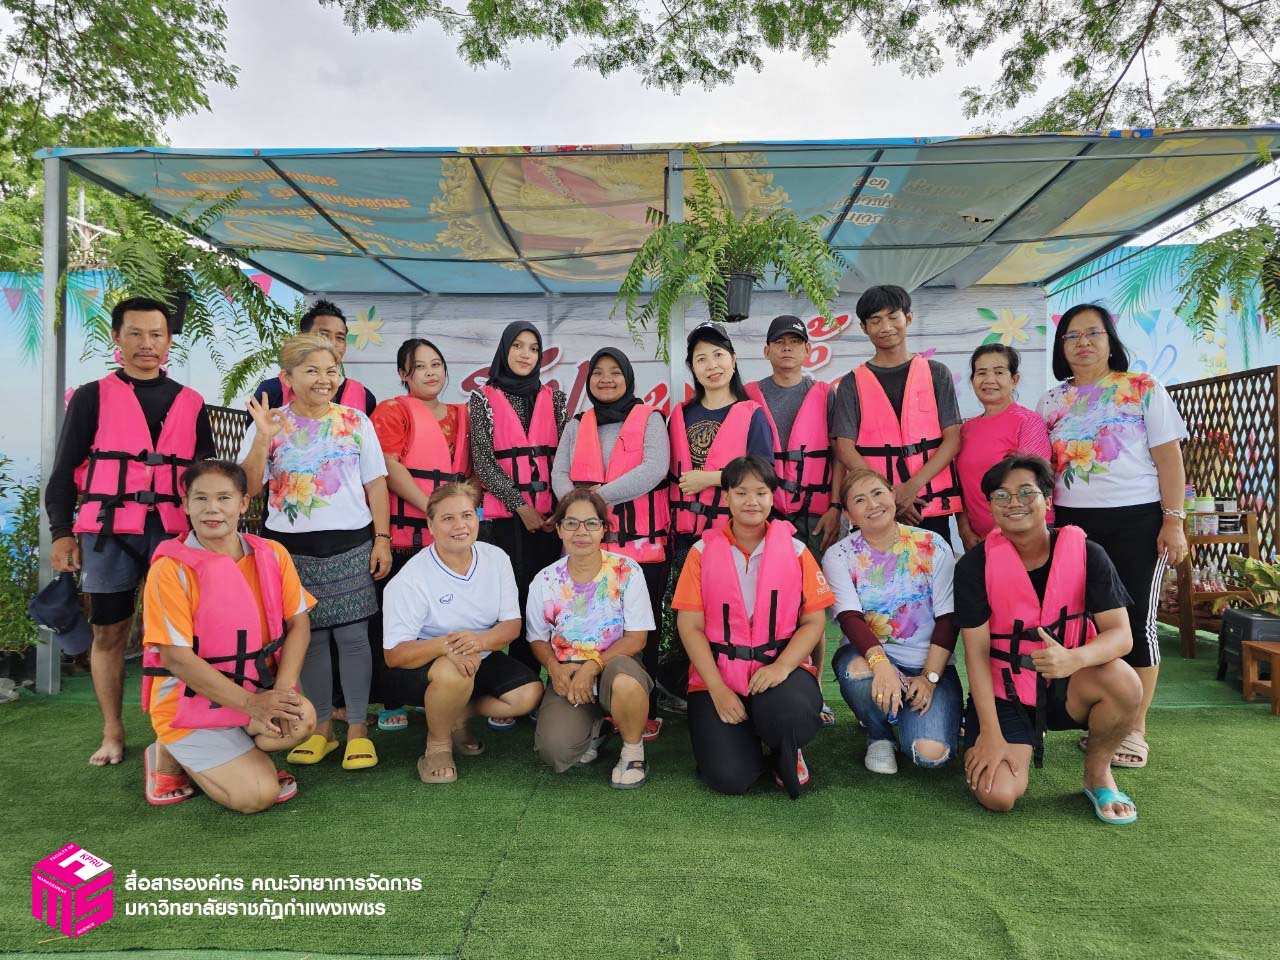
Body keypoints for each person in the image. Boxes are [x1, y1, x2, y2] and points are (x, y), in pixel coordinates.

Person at [46, 296, 217, 766]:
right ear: (116, 338)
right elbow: (63, 473)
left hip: (173, 535)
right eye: (136, 334)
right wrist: (61, 532)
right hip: (109, 533)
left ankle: (183, 727)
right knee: (109, 633)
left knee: (183, 636)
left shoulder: (191, 402)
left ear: (169, 341)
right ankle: (113, 731)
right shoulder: (91, 397)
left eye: (157, 334)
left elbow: (208, 478)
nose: (147, 343)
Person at [1038, 304, 1189, 769]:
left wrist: (1173, 520)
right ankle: (1102, 715)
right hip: (1071, 525)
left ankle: (1134, 728)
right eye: (1071, 336)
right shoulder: (1051, 401)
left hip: (1137, 522)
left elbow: (1169, 459)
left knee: (1136, 619)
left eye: (1093, 333)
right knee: (1084, 621)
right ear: (1061, 346)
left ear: (1110, 340)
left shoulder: (1142, 387)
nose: (1083, 343)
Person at [956, 455, 1144, 824]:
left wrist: (1075, 659)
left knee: (1125, 682)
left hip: (1069, 684)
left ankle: (1098, 774)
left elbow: (1121, 636)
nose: (1014, 503)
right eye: (1001, 495)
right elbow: (975, 654)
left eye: (1026, 492)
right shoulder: (974, 566)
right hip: (1007, 692)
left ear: (1048, 500)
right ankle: (997, 734)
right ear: (991, 507)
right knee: (998, 795)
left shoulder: (1088, 553)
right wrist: (990, 733)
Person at [239, 334, 392, 772]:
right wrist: (263, 438)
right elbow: (249, 488)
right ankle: (322, 728)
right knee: (310, 640)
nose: (325, 379)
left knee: (354, 637)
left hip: (351, 543)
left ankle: (358, 730)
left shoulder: (355, 421)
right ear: (287, 377)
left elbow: (376, 483)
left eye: (331, 371)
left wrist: (382, 538)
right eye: (312, 371)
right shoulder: (269, 424)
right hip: (289, 550)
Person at [140, 460, 316, 812]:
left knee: (303, 721)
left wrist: (281, 694)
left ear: (243, 503)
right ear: (186, 504)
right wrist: (253, 705)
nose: (212, 508)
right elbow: (176, 658)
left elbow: (299, 625)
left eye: (224, 498)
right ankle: (168, 750)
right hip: (189, 705)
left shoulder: (272, 553)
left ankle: (237, 755)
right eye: (200, 498)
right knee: (257, 796)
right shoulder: (169, 570)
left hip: (254, 693)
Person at [673, 456, 834, 798]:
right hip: (719, 673)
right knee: (730, 778)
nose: (751, 501)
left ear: (772, 497)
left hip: (779, 670)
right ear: (726, 497)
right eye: (741, 492)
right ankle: (748, 742)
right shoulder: (701, 552)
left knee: (789, 712)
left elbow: (814, 620)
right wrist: (717, 689)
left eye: (760, 493)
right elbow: (689, 627)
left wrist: (782, 667)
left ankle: (784, 746)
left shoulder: (796, 550)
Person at [381, 483, 543, 784]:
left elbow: (511, 625)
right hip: (422, 665)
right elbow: (394, 655)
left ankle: (456, 713)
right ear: (431, 525)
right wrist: (448, 646)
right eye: (448, 518)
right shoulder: (411, 579)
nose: (460, 526)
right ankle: (437, 745)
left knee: (528, 694)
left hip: (479, 654)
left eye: (467, 515)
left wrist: (477, 642)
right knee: (455, 670)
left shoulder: (496, 558)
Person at [551, 347, 669, 741]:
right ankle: (591, 708)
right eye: (598, 372)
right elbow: (559, 474)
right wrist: (581, 509)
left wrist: (593, 502)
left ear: (628, 378)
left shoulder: (651, 419)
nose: (606, 379)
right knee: (588, 628)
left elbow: (654, 469)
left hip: (642, 548)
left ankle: (644, 708)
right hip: (587, 550)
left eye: (615, 371)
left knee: (643, 629)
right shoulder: (576, 425)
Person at [824, 468, 962, 774]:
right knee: (857, 671)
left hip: (929, 664)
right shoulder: (839, 555)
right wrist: (881, 665)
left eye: (877, 493)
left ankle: (910, 712)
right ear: (848, 513)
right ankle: (879, 735)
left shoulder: (933, 544)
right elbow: (849, 617)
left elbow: (948, 617)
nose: (872, 504)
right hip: (872, 658)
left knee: (930, 755)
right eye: (860, 500)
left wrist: (929, 678)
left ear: (892, 494)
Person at [744, 314, 843, 726]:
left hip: (817, 515)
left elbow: (839, 454)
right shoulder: (748, 395)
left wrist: (836, 506)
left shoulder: (826, 395)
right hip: (767, 514)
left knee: (812, 606)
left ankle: (814, 687)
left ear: (807, 350)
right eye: (779, 342)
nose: (788, 348)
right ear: (766, 350)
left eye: (795, 342)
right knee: (767, 602)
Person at [369, 337, 471, 731]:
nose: (431, 373)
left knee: (445, 620)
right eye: (420, 367)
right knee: (395, 623)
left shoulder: (463, 415)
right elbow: (388, 467)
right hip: (403, 541)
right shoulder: (392, 411)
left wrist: (456, 514)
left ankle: (447, 693)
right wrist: (434, 508)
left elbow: (471, 473)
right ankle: (391, 699)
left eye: (437, 364)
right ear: (403, 374)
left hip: (450, 542)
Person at [527, 489, 655, 788]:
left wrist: (593, 665)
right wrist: (554, 669)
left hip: (616, 665)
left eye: (591, 523)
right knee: (555, 750)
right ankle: (597, 728)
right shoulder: (545, 580)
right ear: (559, 529)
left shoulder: (627, 571)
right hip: (568, 671)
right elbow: (537, 639)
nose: (581, 532)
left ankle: (633, 751)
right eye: (571, 523)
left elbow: (636, 639)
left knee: (624, 681)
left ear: (603, 529)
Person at [469, 321, 569, 683]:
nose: (526, 355)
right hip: (506, 522)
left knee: (544, 601)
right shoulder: (482, 398)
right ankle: (507, 682)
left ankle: (541, 680)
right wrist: (520, 506)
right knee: (509, 601)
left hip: (551, 519)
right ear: (504, 350)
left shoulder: (555, 398)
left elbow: (565, 456)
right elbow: (483, 461)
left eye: (533, 348)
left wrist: (559, 510)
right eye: (518, 346)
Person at [832, 285, 963, 542]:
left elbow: (953, 439)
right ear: (864, 328)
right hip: (874, 509)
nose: (886, 327)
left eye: (893, 317)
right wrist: (889, 495)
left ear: (909, 318)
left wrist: (911, 488)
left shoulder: (937, 373)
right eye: (875, 320)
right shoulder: (851, 383)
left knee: (935, 566)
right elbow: (845, 448)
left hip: (927, 505)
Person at [955, 344, 1052, 548]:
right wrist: (964, 530)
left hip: (1025, 536)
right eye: (981, 373)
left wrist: (995, 535)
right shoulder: (965, 430)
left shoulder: (1028, 421)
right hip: (977, 541)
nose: (989, 380)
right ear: (972, 380)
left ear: (1014, 379)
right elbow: (960, 487)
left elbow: (1030, 485)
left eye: (999, 372)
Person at [249, 300, 377, 414]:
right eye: (323, 335)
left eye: (340, 337)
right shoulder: (270, 391)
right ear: (301, 337)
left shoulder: (364, 397)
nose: (332, 343)